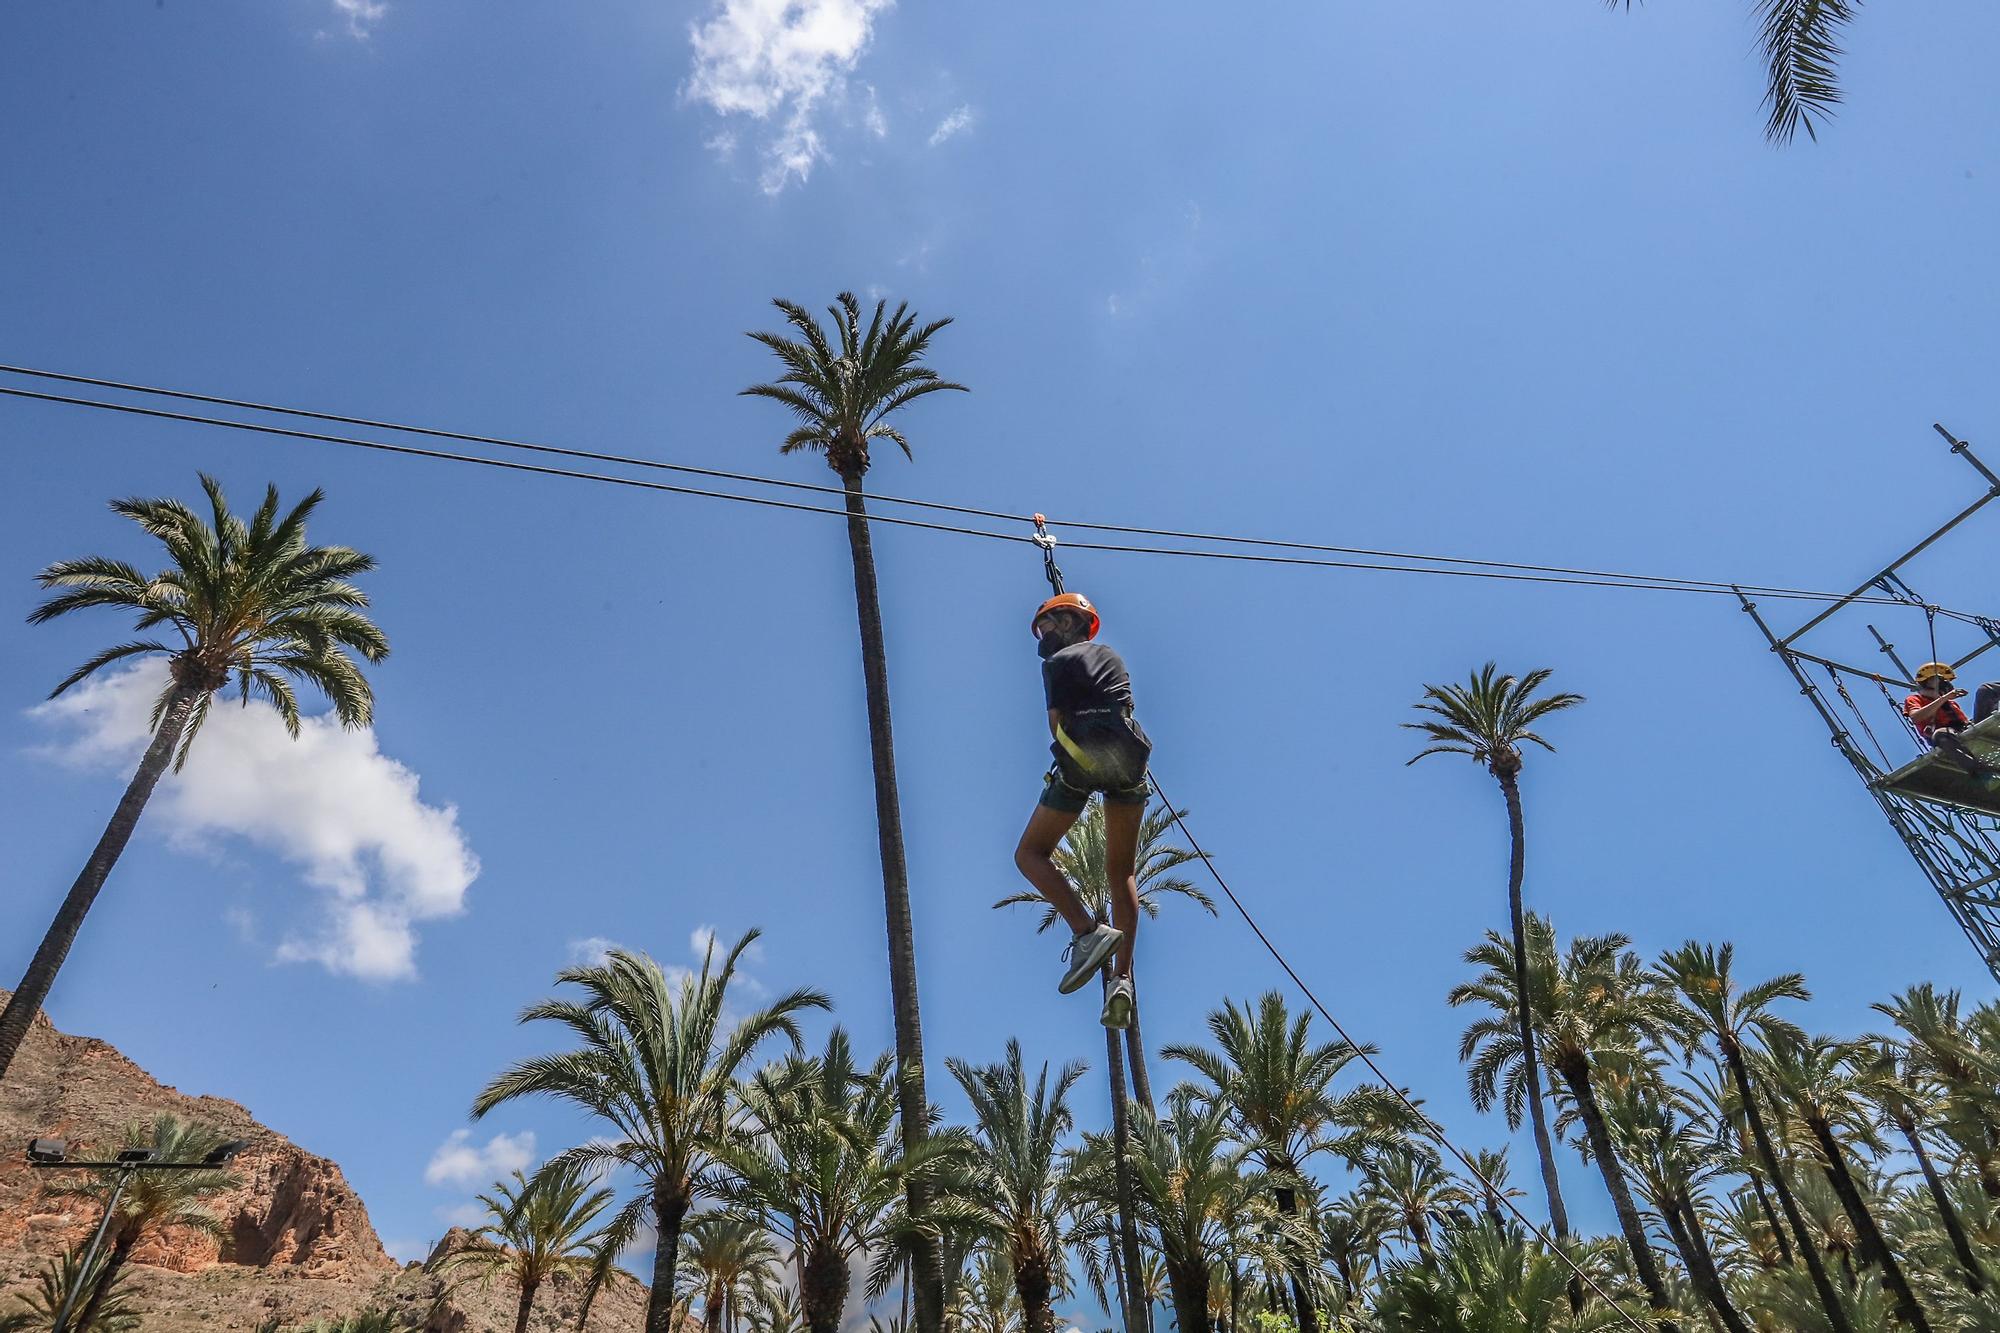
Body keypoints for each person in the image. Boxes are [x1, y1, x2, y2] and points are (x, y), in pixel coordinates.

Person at [1012, 592, 1151, 1029]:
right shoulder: (1111, 654)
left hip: (1083, 761)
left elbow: (1056, 725)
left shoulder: (1054, 664)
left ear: (1068, 623)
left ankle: (1087, 933)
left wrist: (1073, 765)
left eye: (1047, 626)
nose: (1042, 636)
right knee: (1121, 871)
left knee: (1030, 854)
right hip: (1131, 760)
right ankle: (1123, 980)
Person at [1903, 661, 2000, 777]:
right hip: (1948, 736)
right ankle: (1982, 773)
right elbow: (1916, 717)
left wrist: (1945, 698)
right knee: (1941, 734)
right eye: (1939, 678)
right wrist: (1944, 698)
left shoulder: (1951, 703)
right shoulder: (1915, 699)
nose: (1944, 682)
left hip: (1967, 729)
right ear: (1927, 682)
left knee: (1986, 689)